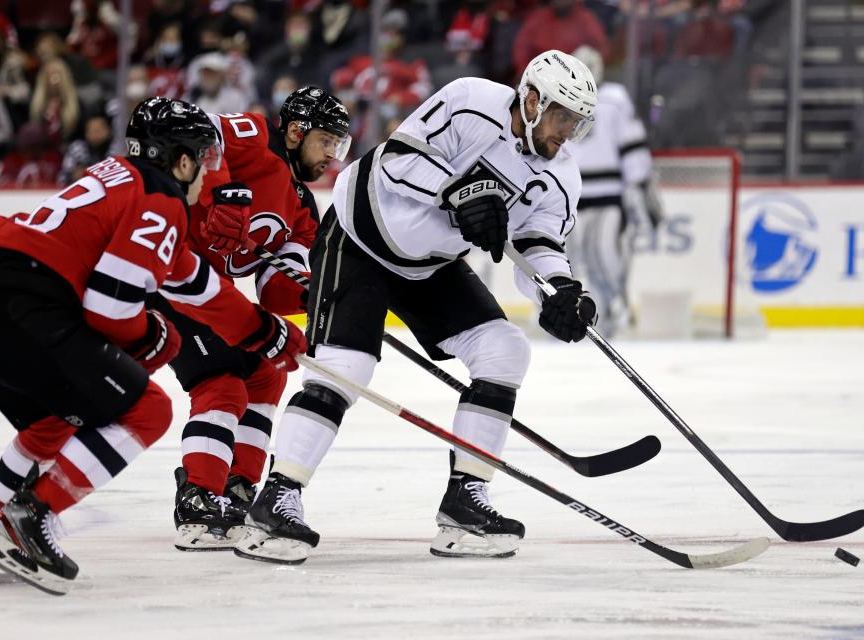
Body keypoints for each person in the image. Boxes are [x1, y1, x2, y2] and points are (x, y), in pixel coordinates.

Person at [236, 50, 599, 565]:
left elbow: (538, 241)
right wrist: (461, 192)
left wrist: (559, 291)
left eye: (577, 122)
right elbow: (396, 160)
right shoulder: (472, 101)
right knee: (346, 368)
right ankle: (276, 499)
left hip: (430, 262)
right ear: (534, 100)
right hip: (361, 236)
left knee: (504, 351)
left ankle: (464, 504)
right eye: (563, 116)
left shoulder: (561, 175)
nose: (568, 131)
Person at [0, 97, 306, 594]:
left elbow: (192, 282)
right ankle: (26, 520)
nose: (210, 173)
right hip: (24, 303)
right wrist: (149, 337)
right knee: (147, 411)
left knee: (49, 421)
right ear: (180, 160)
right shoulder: (161, 199)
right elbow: (110, 309)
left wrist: (263, 331)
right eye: (204, 159)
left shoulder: (118, 173)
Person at [159, 85, 350, 551]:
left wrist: (311, 293)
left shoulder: (304, 209)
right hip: (166, 269)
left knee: (266, 372)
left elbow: (272, 287)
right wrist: (225, 189)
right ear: (295, 131)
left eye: (339, 146)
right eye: (326, 141)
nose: (332, 155)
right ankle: (199, 497)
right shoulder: (255, 136)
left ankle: (236, 487)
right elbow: (195, 129)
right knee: (221, 381)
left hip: (209, 293)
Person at [563, 46, 662, 338]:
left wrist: (636, 186)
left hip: (608, 196)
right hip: (573, 198)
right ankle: (572, 310)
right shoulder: (562, 101)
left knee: (605, 254)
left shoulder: (615, 99)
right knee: (571, 258)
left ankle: (612, 308)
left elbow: (632, 147)